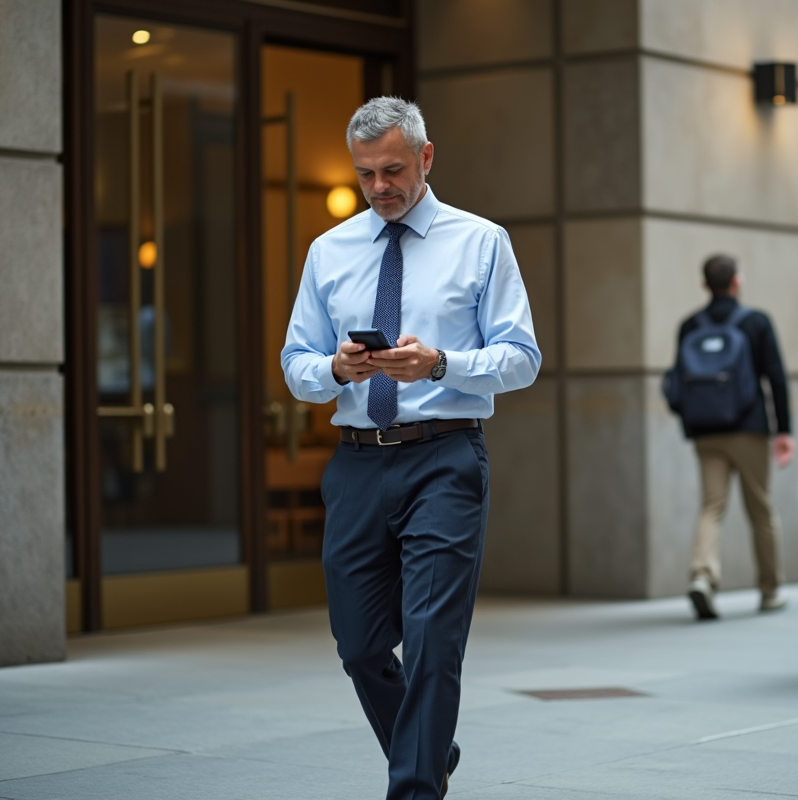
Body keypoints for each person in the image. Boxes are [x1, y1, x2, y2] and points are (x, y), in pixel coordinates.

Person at [281, 97, 540, 799]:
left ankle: (415, 786)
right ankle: (426, 743)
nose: (379, 187)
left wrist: (441, 365)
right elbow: (295, 364)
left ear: (426, 158)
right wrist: (336, 369)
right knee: (361, 646)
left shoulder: (481, 242)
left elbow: (522, 357)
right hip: (358, 462)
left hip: (445, 458)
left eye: (392, 169)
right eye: (365, 174)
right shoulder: (328, 251)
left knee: (431, 637)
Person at [674, 255, 795, 620]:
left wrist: (690, 421)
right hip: (749, 428)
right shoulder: (756, 322)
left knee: (712, 506)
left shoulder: (690, 324)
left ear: (704, 284)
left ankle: (702, 576)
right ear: (737, 282)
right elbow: (775, 377)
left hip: (706, 431)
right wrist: (784, 429)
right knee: (760, 507)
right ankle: (770, 589)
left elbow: (678, 381)